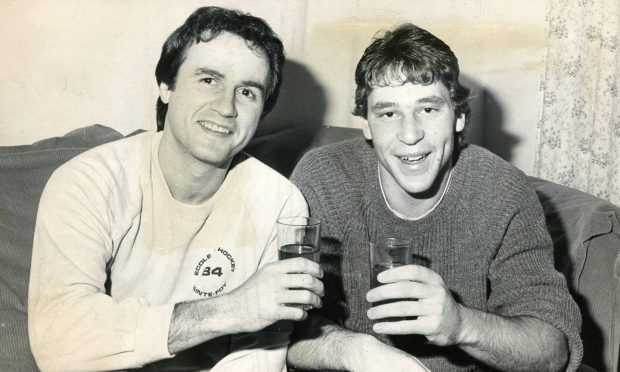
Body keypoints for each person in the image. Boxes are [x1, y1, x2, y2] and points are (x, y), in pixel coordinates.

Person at [28, 6, 324, 371]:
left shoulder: (280, 203)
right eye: (209, 80)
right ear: (166, 86)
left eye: (247, 91)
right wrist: (233, 309)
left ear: (261, 111)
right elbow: (59, 339)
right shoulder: (89, 181)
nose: (226, 107)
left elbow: (258, 359)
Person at [288, 23, 583, 371]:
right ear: (366, 123)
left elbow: (552, 351)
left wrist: (459, 324)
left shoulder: (502, 191)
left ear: (458, 116)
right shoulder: (325, 177)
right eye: (388, 113)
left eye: (428, 109)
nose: (410, 135)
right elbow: (282, 332)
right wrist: (355, 352)